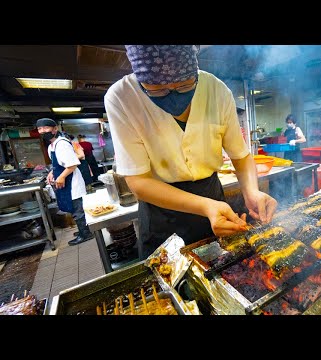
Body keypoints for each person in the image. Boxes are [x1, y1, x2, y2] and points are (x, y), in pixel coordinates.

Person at [104, 45, 278, 259]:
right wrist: (206, 207)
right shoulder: (121, 97)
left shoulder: (216, 90)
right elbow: (138, 182)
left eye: (185, 86)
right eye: (157, 89)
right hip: (162, 209)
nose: (173, 95)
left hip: (212, 193)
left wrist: (252, 191)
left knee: (225, 265)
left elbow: (240, 155)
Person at [36, 118, 94, 246]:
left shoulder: (62, 143)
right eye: (40, 129)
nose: (42, 131)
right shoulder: (52, 145)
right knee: (72, 208)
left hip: (72, 182)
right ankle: (82, 230)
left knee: (77, 209)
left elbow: (72, 164)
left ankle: (86, 234)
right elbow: (58, 164)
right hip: (65, 181)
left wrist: (61, 177)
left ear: (55, 129)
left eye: (45, 128)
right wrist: (52, 173)